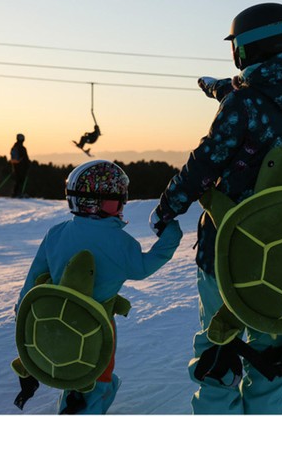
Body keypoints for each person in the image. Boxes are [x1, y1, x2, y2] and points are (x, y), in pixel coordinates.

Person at [150, 2, 282, 414]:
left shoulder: (241, 105)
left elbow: (205, 163)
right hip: (275, 247)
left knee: (216, 348)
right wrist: (221, 88)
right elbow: (258, 103)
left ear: (246, 48)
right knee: (268, 349)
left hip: (226, 246)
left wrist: (168, 207)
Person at [14, 159, 182, 414]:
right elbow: (144, 267)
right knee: (96, 376)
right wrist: (171, 235)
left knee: (72, 370)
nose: (121, 206)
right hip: (97, 326)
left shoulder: (56, 233)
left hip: (53, 324)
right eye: (117, 200)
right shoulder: (120, 242)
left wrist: (22, 318)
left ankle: (74, 401)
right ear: (98, 203)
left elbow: (31, 283)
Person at [10, 133, 30, 197]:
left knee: (18, 180)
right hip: (22, 167)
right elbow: (25, 158)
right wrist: (28, 165)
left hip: (15, 166)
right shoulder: (22, 148)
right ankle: (18, 193)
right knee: (21, 180)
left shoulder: (14, 147)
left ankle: (15, 193)